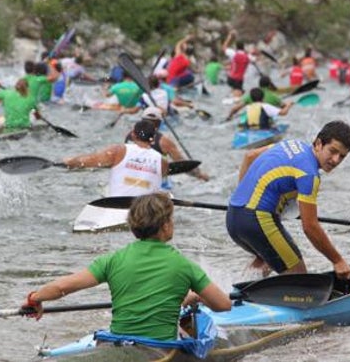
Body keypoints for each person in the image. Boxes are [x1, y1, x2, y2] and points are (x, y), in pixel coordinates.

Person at [22, 192, 232, 341]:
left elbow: (61, 288)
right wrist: (197, 297)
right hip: (160, 346)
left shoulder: (113, 260)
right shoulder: (185, 266)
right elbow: (223, 305)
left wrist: (35, 299)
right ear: (166, 225)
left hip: (119, 341)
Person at [226, 120, 350, 280]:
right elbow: (310, 227)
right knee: (299, 278)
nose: (335, 160)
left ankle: (234, 294)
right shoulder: (309, 175)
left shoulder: (292, 144)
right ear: (318, 143)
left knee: (269, 258)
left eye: (342, 156)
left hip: (233, 216)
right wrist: (338, 261)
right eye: (332, 151)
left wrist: (245, 195)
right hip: (256, 221)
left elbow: (250, 156)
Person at [63, 120, 167, 196]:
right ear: (153, 139)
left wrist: (70, 161)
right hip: (145, 210)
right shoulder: (162, 161)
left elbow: (85, 162)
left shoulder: (118, 150)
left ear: (133, 135)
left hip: (117, 205)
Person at [126, 107, 209, 181]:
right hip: (155, 181)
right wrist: (199, 175)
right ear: (159, 123)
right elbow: (181, 164)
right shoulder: (164, 141)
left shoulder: (130, 135)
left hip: (129, 176)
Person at [225, 76, 291, 121]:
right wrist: (288, 105)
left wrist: (229, 117)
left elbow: (234, 109)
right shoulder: (273, 97)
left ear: (259, 84)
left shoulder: (251, 95)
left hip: (250, 122)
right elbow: (283, 109)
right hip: (266, 124)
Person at [222, 30, 250, 97]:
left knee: (236, 93)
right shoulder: (248, 57)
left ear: (236, 47)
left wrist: (229, 37)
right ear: (244, 47)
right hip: (239, 80)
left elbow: (224, 47)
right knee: (237, 97)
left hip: (231, 79)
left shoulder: (233, 54)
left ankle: (232, 94)